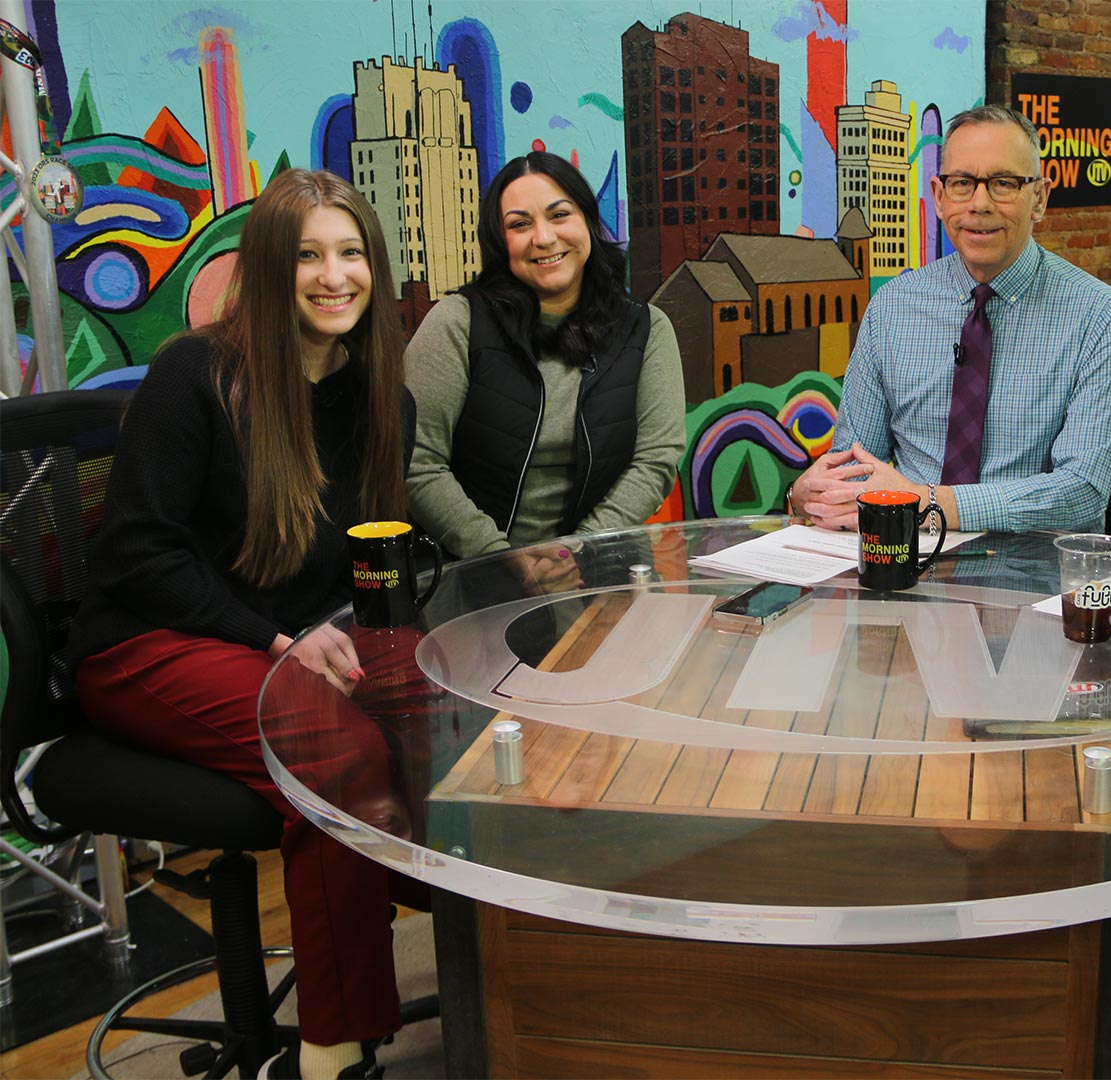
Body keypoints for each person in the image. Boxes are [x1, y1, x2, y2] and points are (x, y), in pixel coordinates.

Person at [67, 169, 419, 1080]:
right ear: (268, 268)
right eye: (307, 255)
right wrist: (277, 643)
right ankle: (330, 1054)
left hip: (284, 643)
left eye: (351, 253)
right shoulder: (198, 373)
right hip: (145, 645)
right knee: (336, 753)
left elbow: (355, 563)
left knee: (448, 707)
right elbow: (136, 555)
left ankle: (496, 972)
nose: (334, 275)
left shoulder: (383, 397)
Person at [789, 104, 1111, 534]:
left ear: (1040, 199)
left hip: (1030, 570)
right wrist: (811, 492)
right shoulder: (893, 307)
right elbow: (855, 463)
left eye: (1004, 183)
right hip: (903, 557)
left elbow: (1081, 493)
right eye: (962, 183)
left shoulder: (1099, 316)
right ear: (938, 196)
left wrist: (930, 505)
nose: (979, 203)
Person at [405, 151, 684, 590]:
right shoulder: (457, 323)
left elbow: (656, 459)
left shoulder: (646, 330)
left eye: (559, 215)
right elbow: (419, 464)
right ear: (500, 242)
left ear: (588, 222)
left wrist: (576, 550)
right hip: (473, 578)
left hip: (603, 572)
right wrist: (502, 557)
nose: (544, 237)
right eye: (519, 224)